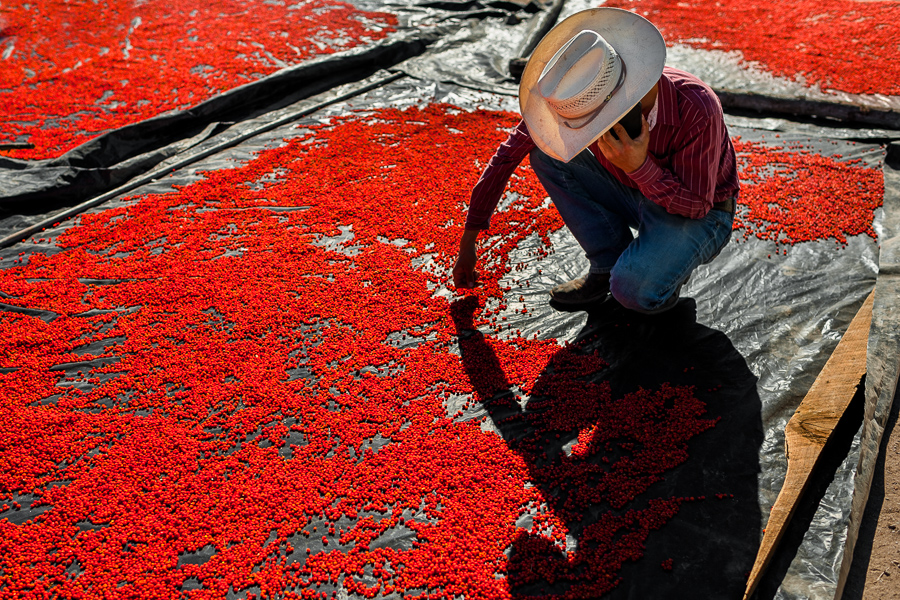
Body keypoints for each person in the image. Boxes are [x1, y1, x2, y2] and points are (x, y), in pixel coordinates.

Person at [451, 8, 740, 314]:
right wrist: (469, 242)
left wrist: (639, 167)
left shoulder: (695, 106)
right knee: (545, 155)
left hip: (702, 215)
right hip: (636, 193)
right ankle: (607, 264)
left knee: (632, 292)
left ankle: (656, 280)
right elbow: (507, 156)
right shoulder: (574, 99)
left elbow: (696, 205)